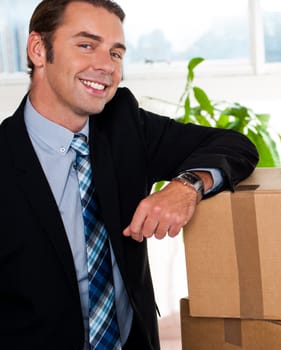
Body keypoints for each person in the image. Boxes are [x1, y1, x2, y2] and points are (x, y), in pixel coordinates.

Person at [0, 0, 258, 349]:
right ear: (38, 50)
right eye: (86, 45)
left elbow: (234, 145)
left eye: (116, 53)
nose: (106, 66)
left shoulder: (122, 124)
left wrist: (187, 186)